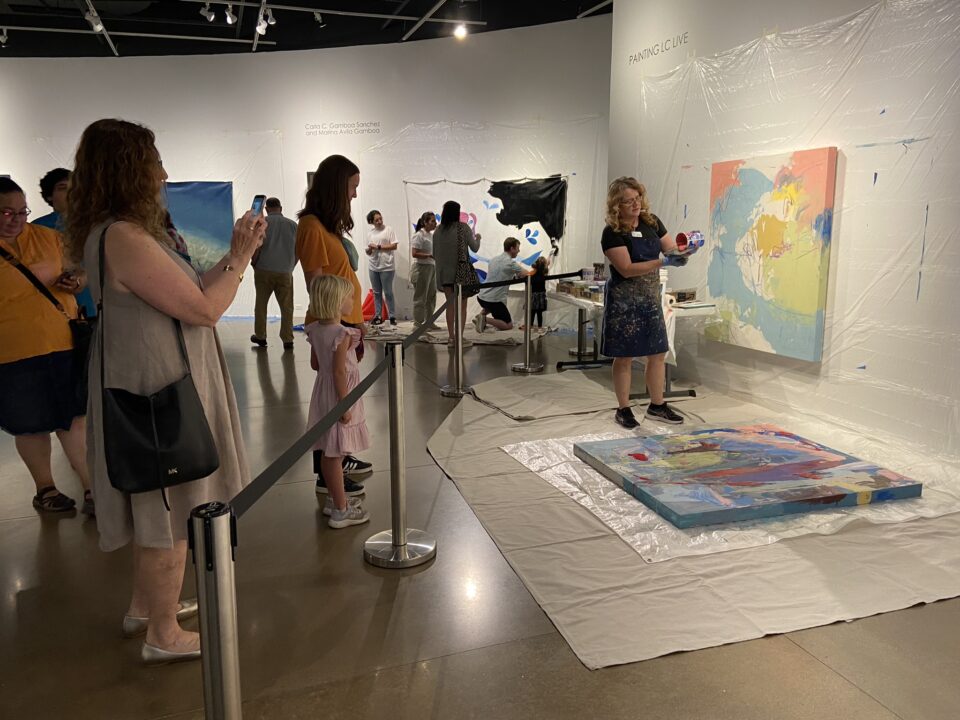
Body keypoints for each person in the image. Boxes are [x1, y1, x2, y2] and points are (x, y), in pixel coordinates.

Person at [65, 118, 265, 665]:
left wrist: (229, 260)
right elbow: (204, 307)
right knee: (173, 506)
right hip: (157, 387)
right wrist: (241, 254)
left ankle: (145, 607)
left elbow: (189, 293)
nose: (164, 175)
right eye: (155, 164)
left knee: (157, 502)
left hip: (150, 377)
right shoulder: (126, 238)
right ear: (131, 170)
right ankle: (161, 632)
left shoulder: (120, 234)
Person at [0, 177, 93, 515]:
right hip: (12, 354)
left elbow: (79, 271)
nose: (16, 219)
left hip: (62, 344)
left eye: (21, 211)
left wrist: (75, 281)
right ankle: (46, 488)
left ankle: (90, 488)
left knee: (74, 420)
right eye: (6, 212)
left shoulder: (49, 237)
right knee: (30, 424)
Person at [296, 155, 374, 498]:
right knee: (334, 397)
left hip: (346, 324)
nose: (355, 195)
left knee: (341, 396)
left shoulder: (325, 226)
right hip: (334, 325)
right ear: (337, 186)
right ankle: (329, 473)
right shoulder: (311, 226)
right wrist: (342, 328)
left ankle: (338, 458)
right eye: (353, 187)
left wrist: (356, 323)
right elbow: (319, 287)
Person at [600, 177, 688, 428]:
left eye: (638, 198)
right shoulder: (612, 233)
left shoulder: (652, 221)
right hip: (624, 302)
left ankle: (657, 405)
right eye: (629, 201)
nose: (636, 204)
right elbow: (626, 269)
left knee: (657, 353)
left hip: (650, 298)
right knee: (624, 356)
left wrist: (684, 251)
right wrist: (663, 262)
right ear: (617, 205)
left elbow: (670, 248)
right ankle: (624, 408)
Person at [304, 275, 371, 528]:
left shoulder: (315, 330)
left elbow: (315, 365)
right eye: (349, 297)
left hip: (322, 393)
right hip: (339, 395)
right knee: (335, 453)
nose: (352, 301)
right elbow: (339, 371)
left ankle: (335, 498)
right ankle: (341, 510)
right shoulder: (342, 333)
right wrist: (344, 404)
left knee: (329, 449)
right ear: (336, 301)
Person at [33, 167, 97, 319]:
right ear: (49, 196)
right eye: (63, 188)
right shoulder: (37, 228)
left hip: (95, 306)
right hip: (54, 308)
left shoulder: (95, 224)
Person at [250, 197, 298, 350]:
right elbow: (299, 250)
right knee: (287, 307)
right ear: (281, 208)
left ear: (266, 209)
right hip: (285, 271)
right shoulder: (293, 225)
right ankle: (287, 339)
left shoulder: (262, 224)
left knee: (261, 305)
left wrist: (254, 262)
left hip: (264, 269)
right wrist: (291, 265)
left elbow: (256, 246)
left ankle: (260, 336)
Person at [432, 200, 481, 346]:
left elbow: (434, 253)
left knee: (450, 306)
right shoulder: (463, 228)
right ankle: (460, 337)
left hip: (444, 274)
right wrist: (478, 238)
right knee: (462, 306)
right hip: (461, 273)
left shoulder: (438, 231)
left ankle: (451, 337)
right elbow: (475, 248)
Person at [475, 237, 534, 332]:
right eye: (517, 248)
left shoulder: (493, 260)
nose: (519, 251)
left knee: (490, 305)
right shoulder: (511, 263)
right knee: (508, 325)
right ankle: (483, 319)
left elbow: (501, 275)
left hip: (482, 297)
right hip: (494, 300)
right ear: (512, 248)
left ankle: (481, 315)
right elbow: (528, 274)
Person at [365, 209, 398, 325]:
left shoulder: (388, 230)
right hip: (373, 266)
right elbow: (368, 252)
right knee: (376, 292)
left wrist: (378, 247)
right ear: (371, 222)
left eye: (380, 219)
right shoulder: (370, 234)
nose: (379, 221)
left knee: (388, 292)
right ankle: (378, 315)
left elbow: (394, 246)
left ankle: (392, 316)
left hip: (387, 266)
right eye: (376, 220)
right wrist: (370, 249)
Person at [410, 210, 438, 328]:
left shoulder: (431, 236)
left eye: (435, 221)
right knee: (420, 296)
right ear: (425, 222)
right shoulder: (419, 235)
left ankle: (429, 321)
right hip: (421, 268)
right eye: (432, 221)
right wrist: (428, 255)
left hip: (431, 267)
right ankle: (418, 322)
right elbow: (414, 253)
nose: (435, 223)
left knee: (431, 295)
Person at [530, 255, 550, 328]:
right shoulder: (543, 273)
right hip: (540, 295)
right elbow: (547, 265)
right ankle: (539, 327)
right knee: (539, 313)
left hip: (534, 294)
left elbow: (547, 263)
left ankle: (531, 325)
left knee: (532, 312)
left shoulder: (533, 273)